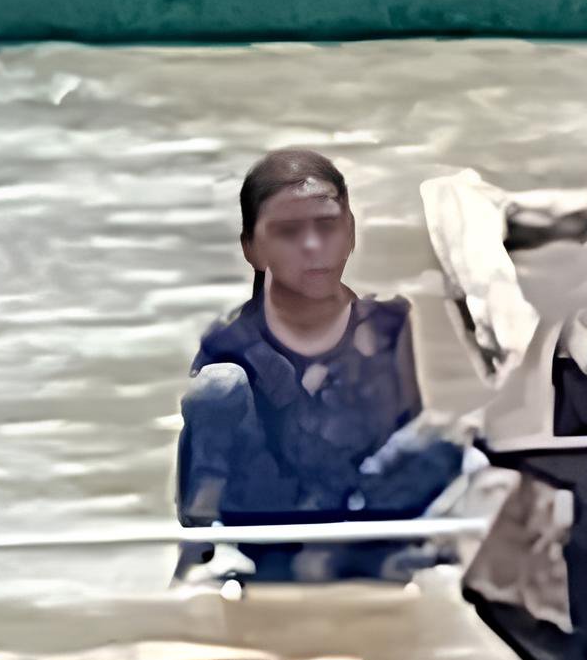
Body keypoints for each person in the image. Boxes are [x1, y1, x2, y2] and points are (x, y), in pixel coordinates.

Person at [175, 148, 463, 585]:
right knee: (218, 387)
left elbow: (407, 428)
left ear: (349, 235)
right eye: (288, 232)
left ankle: (363, 552)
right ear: (253, 248)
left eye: (326, 227)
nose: (312, 246)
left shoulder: (388, 322)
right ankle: (201, 545)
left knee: (448, 433)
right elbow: (207, 448)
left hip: (355, 506)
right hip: (267, 514)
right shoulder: (229, 340)